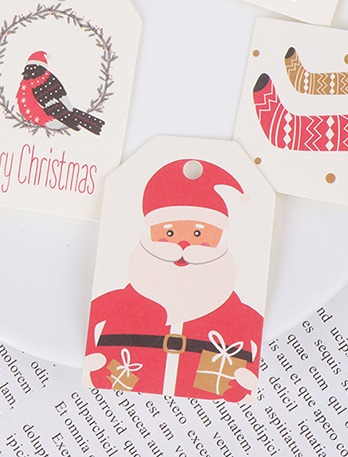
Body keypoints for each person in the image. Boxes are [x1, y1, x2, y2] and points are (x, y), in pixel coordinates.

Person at [84, 159, 262, 400]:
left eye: (198, 233)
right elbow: (97, 310)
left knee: (218, 386)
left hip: (209, 381)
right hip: (126, 374)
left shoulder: (232, 311)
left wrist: (246, 378)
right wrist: (93, 358)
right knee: (118, 379)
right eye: (169, 233)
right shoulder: (124, 302)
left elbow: (252, 322)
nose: (184, 243)